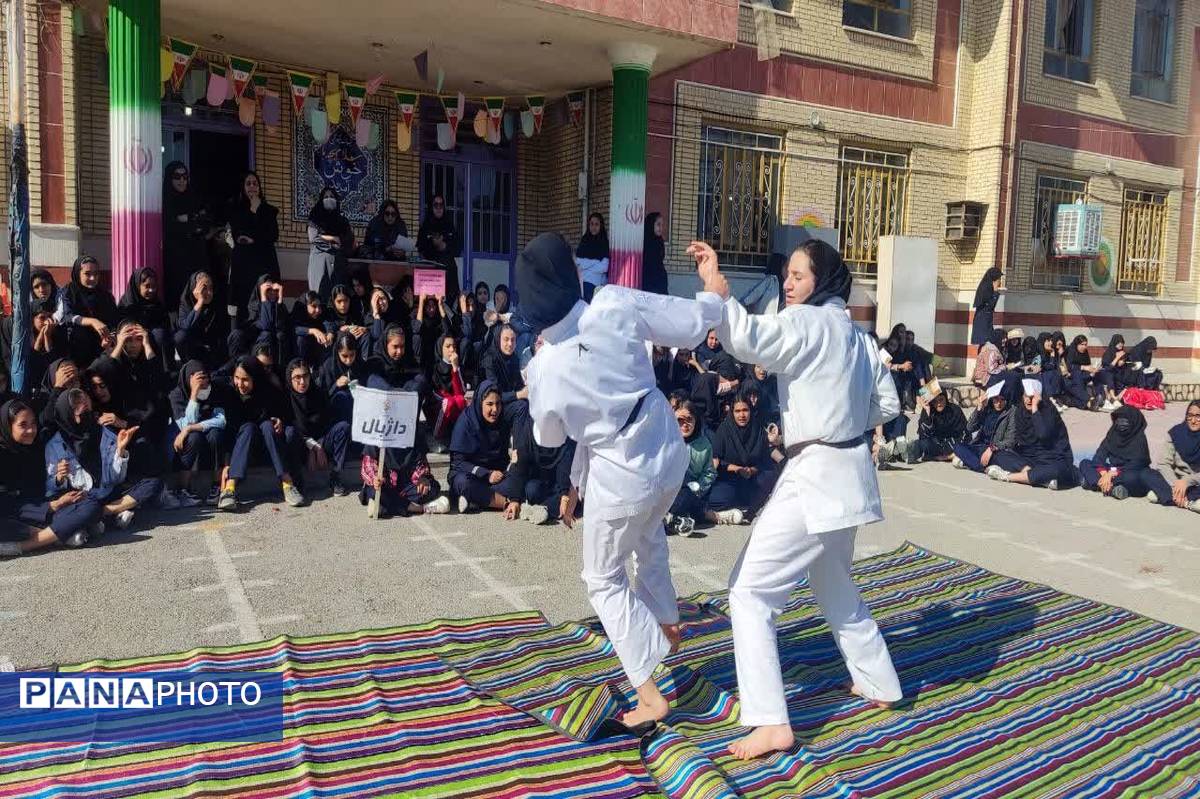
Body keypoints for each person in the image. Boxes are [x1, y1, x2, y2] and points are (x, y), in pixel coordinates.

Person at [687, 237, 902, 760]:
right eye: (787, 274)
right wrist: (845, 420)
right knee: (831, 579)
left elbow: (752, 339)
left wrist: (718, 293)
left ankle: (769, 721)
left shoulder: (809, 323)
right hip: (847, 473)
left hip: (818, 473)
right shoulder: (855, 333)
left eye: (799, 276)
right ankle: (879, 681)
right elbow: (886, 403)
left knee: (749, 592)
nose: (788, 283)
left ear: (821, 281)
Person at [520, 232, 724, 730]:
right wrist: (713, 292)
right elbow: (690, 323)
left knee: (602, 579)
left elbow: (547, 438)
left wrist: (540, 383)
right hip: (665, 445)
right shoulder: (611, 301)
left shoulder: (545, 365)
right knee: (649, 534)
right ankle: (665, 620)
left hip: (621, 471)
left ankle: (650, 692)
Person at [44, 389, 163, 530]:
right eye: (77, 408)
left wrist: (120, 450)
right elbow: (50, 489)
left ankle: (102, 514)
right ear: (66, 415)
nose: (83, 408)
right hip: (82, 499)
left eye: (85, 403)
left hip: (109, 494)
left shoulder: (106, 433)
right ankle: (109, 515)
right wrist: (59, 478)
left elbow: (116, 479)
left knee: (153, 484)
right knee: (75, 506)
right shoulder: (55, 445)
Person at [0, 399, 105, 557]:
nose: (31, 430)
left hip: (43, 507)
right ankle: (45, 540)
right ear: (8, 427)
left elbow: (43, 489)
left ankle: (51, 536)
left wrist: (58, 482)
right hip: (15, 513)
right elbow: (6, 503)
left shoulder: (36, 447)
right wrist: (53, 505)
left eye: (33, 423)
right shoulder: (3, 454)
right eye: (23, 425)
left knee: (91, 505)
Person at [216, 357, 305, 511]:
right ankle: (229, 490)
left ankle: (287, 484)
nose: (240, 384)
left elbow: (287, 416)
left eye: (245, 379)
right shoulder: (231, 395)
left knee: (267, 426)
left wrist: (280, 420)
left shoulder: (270, 392)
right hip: (243, 453)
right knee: (248, 427)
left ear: (255, 378)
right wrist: (227, 463)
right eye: (237, 378)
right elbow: (229, 431)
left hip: (271, 451)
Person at [986, 379, 1078, 490]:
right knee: (999, 455)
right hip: (1031, 459)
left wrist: (1035, 409)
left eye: (1032, 397)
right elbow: (1017, 441)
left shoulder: (1049, 411)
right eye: (1026, 396)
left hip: (1054, 459)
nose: (1029, 401)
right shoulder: (1021, 412)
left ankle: (1008, 476)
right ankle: (1037, 478)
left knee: (1059, 471)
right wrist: (995, 449)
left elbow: (1043, 434)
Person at [448, 380, 522, 515]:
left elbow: (504, 461)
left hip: (496, 476)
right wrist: (486, 474)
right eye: (489, 404)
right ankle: (507, 504)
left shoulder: (501, 421)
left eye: (498, 404)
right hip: (471, 475)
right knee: (463, 483)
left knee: (518, 480)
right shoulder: (466, 422)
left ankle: (477, 500)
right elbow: (458, 463)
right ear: (479, 403)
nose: (495, 409)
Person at [283, 359, 352, 497]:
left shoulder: (319, 394)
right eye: (297, 377)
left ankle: (336, 476)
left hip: (321, 440)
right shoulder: (285, 398)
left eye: (305, 376)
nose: (302, 382)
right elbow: (293, 428)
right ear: (290, 379)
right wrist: (313, 447)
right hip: (300, 445)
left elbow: (326, 424)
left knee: (343, 427)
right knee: (290, 433)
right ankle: (297, 480)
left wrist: (318, 445)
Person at [708, 394, 776, 524]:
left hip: (752, 478)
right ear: (732, 412)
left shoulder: (758, 430)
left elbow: (765, 460)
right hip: (729, 478)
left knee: (769, 475)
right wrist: (736, 468)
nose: (742, 415)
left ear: (750, 411)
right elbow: (717, 460)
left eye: (745, 410)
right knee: (720, 498)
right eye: (737, 411)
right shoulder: (724, 430)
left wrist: (752, 470)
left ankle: (752, 507)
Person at [168, 360, 226, 505]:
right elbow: (186, 424)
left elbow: (221, 420)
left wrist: (191, 428)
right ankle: (183, 489)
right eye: (198, 379)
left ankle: (217, 486)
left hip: (209, 440)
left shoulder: (215, 390)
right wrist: (194, 394)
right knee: (193, 437)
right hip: (188, 444)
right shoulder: (177, 395)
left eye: (205, 377)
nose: (203, 382)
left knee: (216, 433)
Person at [226, 170, 280, 322]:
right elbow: (239, 236)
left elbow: (273, 235)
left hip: (264, 263)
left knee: (264, 305)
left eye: (255, 184)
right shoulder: (235, 209)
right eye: (248, 184)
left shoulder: (269, 211)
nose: (252, 187)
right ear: (243, 187)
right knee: (243, 306)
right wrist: (253, 212)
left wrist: (257, 212)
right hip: (243, 265)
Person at [510, 412, 577, 526]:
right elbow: (520, 464)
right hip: (540, 479)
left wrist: (564, 494)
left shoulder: (566, 429)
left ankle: (544, 510)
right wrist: (514, 499)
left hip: (563, 481)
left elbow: (565, 463)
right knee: (531, 490)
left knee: (569, 498)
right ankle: (540, 508)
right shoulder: (529, 429)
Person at [162, 161, 212, 305]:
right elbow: (169, 226)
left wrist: (186, 219)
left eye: (185, 177)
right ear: (169, 178)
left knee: (198, 294)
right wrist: (192, 222)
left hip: (196, 256)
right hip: (175, 258)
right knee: (177, 296)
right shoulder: (165, 201)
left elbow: (204, 225)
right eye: (177, 177)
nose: (182, 181)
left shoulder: (194, 198)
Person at [1079, 406, 1155, 500]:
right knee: (1085, 463)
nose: (1122, 424)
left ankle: (1095, 485)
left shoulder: (1139, 439)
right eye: (1119, 420)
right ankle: (1111, 489)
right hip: (1111, 470)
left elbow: (1137, 464)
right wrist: (1104, 474)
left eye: (1125, 421)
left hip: (1128, 471)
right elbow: (1099, 456)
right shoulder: (1113, 433)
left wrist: (1111, 474)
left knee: (1133, 478)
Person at [55, 255, 118, 367]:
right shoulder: (69, 291)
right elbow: (66, 316)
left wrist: (109, 337)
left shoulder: (105, 295)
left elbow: (113, 321)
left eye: (96, 274)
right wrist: (92, 321)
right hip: (74, 346)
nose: (93, 278)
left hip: (101, 347)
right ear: (78, 274)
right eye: (87, 274)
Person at [664, 401, 715, 537]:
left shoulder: (704, 444)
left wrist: (699, 488)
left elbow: (709, 472)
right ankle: (678, 520)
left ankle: (670, 520)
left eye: (689, 419)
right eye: (680, 420)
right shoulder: (666, 441)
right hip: (667, 489)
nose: (685, 424)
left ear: (695, 421)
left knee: (687, 493)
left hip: (691, 490)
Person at [116, 267, 174, 374]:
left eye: (154, 286)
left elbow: (165, 325)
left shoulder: (157, 304)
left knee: (160, 334)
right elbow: (122, 326)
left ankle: (164, 372)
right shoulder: (126, 304)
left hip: (151, 341)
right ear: (138, 286)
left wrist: (147, 333)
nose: (151, 290)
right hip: (133, 338)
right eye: (147, 286)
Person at [1146, 400, 1200, 512]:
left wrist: (1187, 481)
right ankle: (1187, 502)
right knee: (1147, 473)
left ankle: (1167, 497)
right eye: (1190, 416)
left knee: (1153, 495)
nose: (1193, 421)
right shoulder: (1176, 433)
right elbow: (1163, 463)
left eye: (1198, 416)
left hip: (1196, 482)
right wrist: (1176, 485)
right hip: (1174, 481)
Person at [174, 271, 229, 370]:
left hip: (213, 349)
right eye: (204, 288)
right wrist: (199, 303)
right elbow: (185, 326)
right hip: (193, 349)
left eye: (211, 288)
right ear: (194, 289)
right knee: (180, 337)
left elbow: (222, 330)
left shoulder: (218, 301)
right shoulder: (186, 301)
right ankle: (189, 367)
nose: (209, 292)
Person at [951, 380, 1010, 472]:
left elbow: (1010, 440)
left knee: (958, 460)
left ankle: (970, 463)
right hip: (979, 446)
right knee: (957, 447)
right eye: (996, 399)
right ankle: (982, 467)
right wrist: (979, 408)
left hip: (994, 450)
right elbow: (969, 427)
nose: (999, 403)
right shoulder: (987, 410)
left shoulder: (1010, 413)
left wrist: (992, 448)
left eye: (1002, 399)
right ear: (991, 399)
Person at [307, 186, 354, 300]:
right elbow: (314, 238)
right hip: (320, 263)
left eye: (332, 197)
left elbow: (349, 239)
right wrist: (333, 238)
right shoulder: (315, 218)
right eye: (326, 197)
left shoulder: (343, 221)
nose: (329, 199)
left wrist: (338, 240)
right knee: (320, 297)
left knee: (339, 297)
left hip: (339, 264)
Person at [416, 194, 462, 301]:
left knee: (449, 305)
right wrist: (433, 245)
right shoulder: (425, 226)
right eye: (435, 205)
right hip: (430, 272)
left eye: (441, 205)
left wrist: (444, 246)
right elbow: (420, 247)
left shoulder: (449, 225)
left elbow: (458, 248)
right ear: (431, 207)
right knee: (430, 304)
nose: (438, 208)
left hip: (448, 273)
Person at [317, 329, 367, 423]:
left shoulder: (360, 364)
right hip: (337, 412)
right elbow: (323, 397)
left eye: (352, 355)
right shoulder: (329, 366)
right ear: (337, 352)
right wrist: (336, 385)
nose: (349, 360)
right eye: (344, 356)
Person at [904, 392, 968, 463]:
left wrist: (948, 454)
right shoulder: (929, 410)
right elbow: (923, 435)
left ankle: (944, 457)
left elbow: (965, 433)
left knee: (963, 447)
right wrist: (927, 412)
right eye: (935, 401)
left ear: (946, 399)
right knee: (922, 444)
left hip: (953, 445)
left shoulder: (955, 410)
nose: (939, 404)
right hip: (936, 445)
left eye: (941, 400)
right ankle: (902, 453)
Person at [430, 334, 468, 447]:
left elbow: (460, 392)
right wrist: (449, 399)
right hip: (437, 405)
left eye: (454, 346)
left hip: (452, 403)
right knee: (449, 402)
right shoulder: (435, 367)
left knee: (460, 400)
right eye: (448, 346)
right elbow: (434, 390)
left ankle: (457, 434)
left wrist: (455, 368)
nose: (452, 349)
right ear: (440, 348)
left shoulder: (457, 366)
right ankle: (439, 437)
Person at [291, 291, 333, 368]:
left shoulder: (321, 312)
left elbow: (327, 322)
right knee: (301, 339)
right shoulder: (299, 311)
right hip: (303, 350)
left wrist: (330, 333)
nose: (318, 310)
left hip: (318, 347)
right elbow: (295, 328)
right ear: (305, 305)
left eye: (319, 306)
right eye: (313, 306)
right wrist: (313, 331)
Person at [576, 212, 610, 302]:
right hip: (582, 284)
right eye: (591, 224)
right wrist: (595, 262)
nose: (593, 227)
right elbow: (578, 263)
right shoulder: (584, 240)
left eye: (596, 224)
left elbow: (604, 267)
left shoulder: (603, 242)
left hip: (596, 286)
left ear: (601, 226)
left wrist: (586, 266)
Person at [971, 267, 1003, 347]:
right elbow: (990, 306)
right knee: (985, 347)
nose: (1000, 281)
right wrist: (995, 292)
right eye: (999, 279)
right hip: (983, 324)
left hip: (985, 322)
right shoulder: (986, 289)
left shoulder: (986, 287)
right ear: (994, 279)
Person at [641, 212, 669, 296]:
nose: (661, 228)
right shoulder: (644, 242)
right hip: (648, 281)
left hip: (660, 281)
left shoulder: (660, 241)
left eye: (662, 225)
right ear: (651, 224)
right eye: (658, 224)